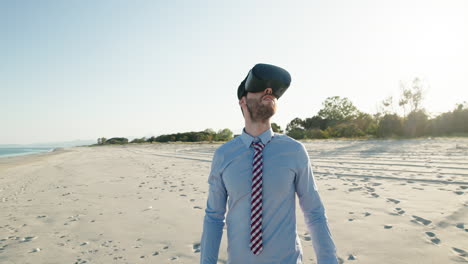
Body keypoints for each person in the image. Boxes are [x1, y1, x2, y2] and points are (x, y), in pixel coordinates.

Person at [200, 63, 338, 264]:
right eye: (261, 88)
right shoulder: (224, 155)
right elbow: (213, 218)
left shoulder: (294, 151)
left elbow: (314, 212)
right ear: (243, 102)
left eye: (272, 91)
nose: (269, 91)